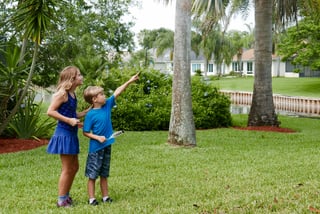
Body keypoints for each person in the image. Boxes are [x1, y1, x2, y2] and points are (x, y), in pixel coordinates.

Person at [82, 72, 139, 206]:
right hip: (96, 149)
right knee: (92, 175)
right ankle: (91, 199)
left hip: (107, 146)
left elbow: (117, 91)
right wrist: (97, 137)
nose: (104, 95)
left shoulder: (107, 105)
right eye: (101, 94)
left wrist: (129, 81)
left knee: (104, 173)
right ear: (94, 99)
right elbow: (85, 132)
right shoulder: (90, 115)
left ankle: (105, 197)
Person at [47, 66, 89, 208]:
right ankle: (61, 200)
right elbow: (50, 111)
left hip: (71, 133)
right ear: (72, 78)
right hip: (63, 134)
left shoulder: (72, 94)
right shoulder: (62, 94)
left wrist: (85, 113)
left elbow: (72, 113)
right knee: (67, 168)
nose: (81, 77)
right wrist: (69, 121)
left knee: (75, 167)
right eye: (79, 75)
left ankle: (66, 196)